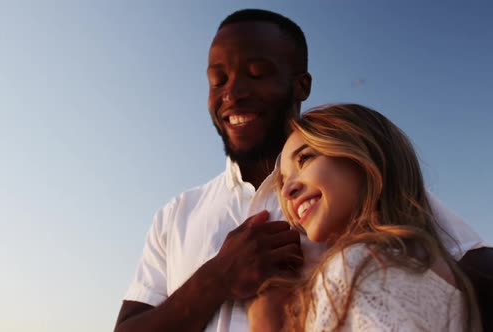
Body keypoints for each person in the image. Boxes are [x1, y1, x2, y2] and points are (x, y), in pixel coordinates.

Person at [114, 9, 492, 332]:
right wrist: (216, 279)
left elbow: (477, 275)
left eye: (256, 72)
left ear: (301, 85)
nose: (233, 92)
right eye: (218, 80)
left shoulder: (355, 185)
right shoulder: (176, 216)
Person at [247, 104, 481, 331]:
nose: (287, 190)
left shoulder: (356, 267)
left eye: (305, 158)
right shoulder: (433, 269)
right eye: (283, 180)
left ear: (364, 158)